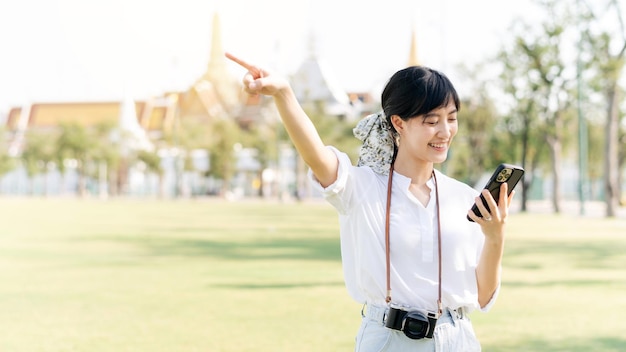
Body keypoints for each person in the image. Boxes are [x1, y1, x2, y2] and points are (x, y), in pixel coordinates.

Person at [226, 52, 514, 351]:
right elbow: (315, 154)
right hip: (389, 339)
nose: (445, 131)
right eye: (432, 121)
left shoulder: (463, 197)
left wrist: (496, 236)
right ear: (399, 123)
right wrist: (284, 94)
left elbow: (482, 297)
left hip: (457, 339)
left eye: (452, 119)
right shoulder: (361, 187)